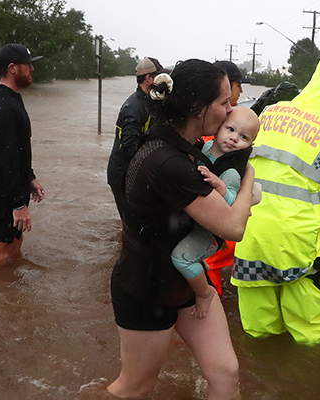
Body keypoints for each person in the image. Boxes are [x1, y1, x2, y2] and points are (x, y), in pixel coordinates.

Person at [108, 59, 254, 399]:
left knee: (225, 372)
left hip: (187, 280)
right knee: (134, 388)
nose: (231, 108)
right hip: (147, 290)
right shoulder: (169, 163)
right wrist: (248, 175)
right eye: (223, 102)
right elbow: (233, 227)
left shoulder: (184, 148)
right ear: (197, 108)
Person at [231, 57, 320, 345]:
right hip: (298, 240)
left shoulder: (272, 111)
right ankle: (307, 379)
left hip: (250, 229)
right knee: (307, 328)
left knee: (257, 323)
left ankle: (258, 373)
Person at [170, 106, 261, 318]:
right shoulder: (206, 147)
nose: (233, 138)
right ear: (219, 127)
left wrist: (220, 186)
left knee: (180, 258)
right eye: (230, 129)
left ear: (250, 145)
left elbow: (233, 205)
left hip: (209, 234)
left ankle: (204, 293)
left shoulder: (231, 171)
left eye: (243, 137)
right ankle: (203, 271)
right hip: (197, 222)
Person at [0, 43, 45, 267]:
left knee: (14, 247)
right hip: (1, 194)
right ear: (12, 68)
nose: (32, 70)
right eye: (29, 65)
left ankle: (11, 294)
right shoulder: (2, 106)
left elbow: (18, 148)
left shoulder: (11, 98)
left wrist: (29, 178)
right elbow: (4, 159)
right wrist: (17, 205)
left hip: (12, 188)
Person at [107, 57, 168, 217]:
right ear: (149, 78)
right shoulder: (133, 107)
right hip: (121, 174)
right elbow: (130, 147)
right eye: (158, 76)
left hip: (132, 172)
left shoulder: (150, 101)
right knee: (131, 220)